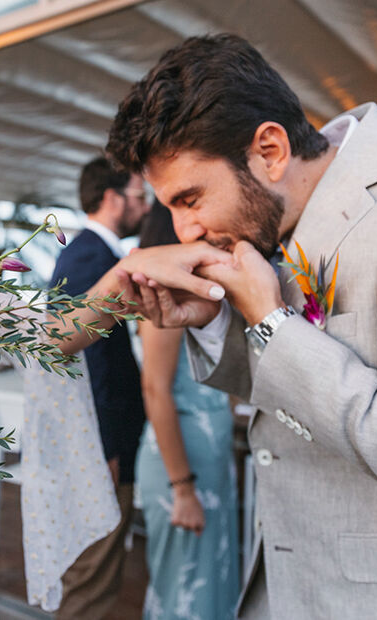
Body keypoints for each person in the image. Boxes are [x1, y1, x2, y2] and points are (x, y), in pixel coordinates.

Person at [48, 34, 377, 618]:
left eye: (190, 199)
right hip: (292, 590)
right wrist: (216, 326)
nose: (183, 231)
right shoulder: (277, 222)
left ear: (270, 150)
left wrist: (273, 325)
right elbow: (284, 405)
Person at [47, 157, 149, 619]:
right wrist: (103, 447)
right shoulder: (92, 256)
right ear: (112, 199)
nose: (145, 207)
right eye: (140, 196)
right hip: (100, 445)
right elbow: (90, 360)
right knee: (94, 578)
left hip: (100, 439)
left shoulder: (88, 252)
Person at [133, 202, 238, 619]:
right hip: (181, 466)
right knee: (184, 591)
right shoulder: (163, 296)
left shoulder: (192, 291)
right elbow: (155, 389)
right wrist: (183, 489)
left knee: (211, 582)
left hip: (206, 461)